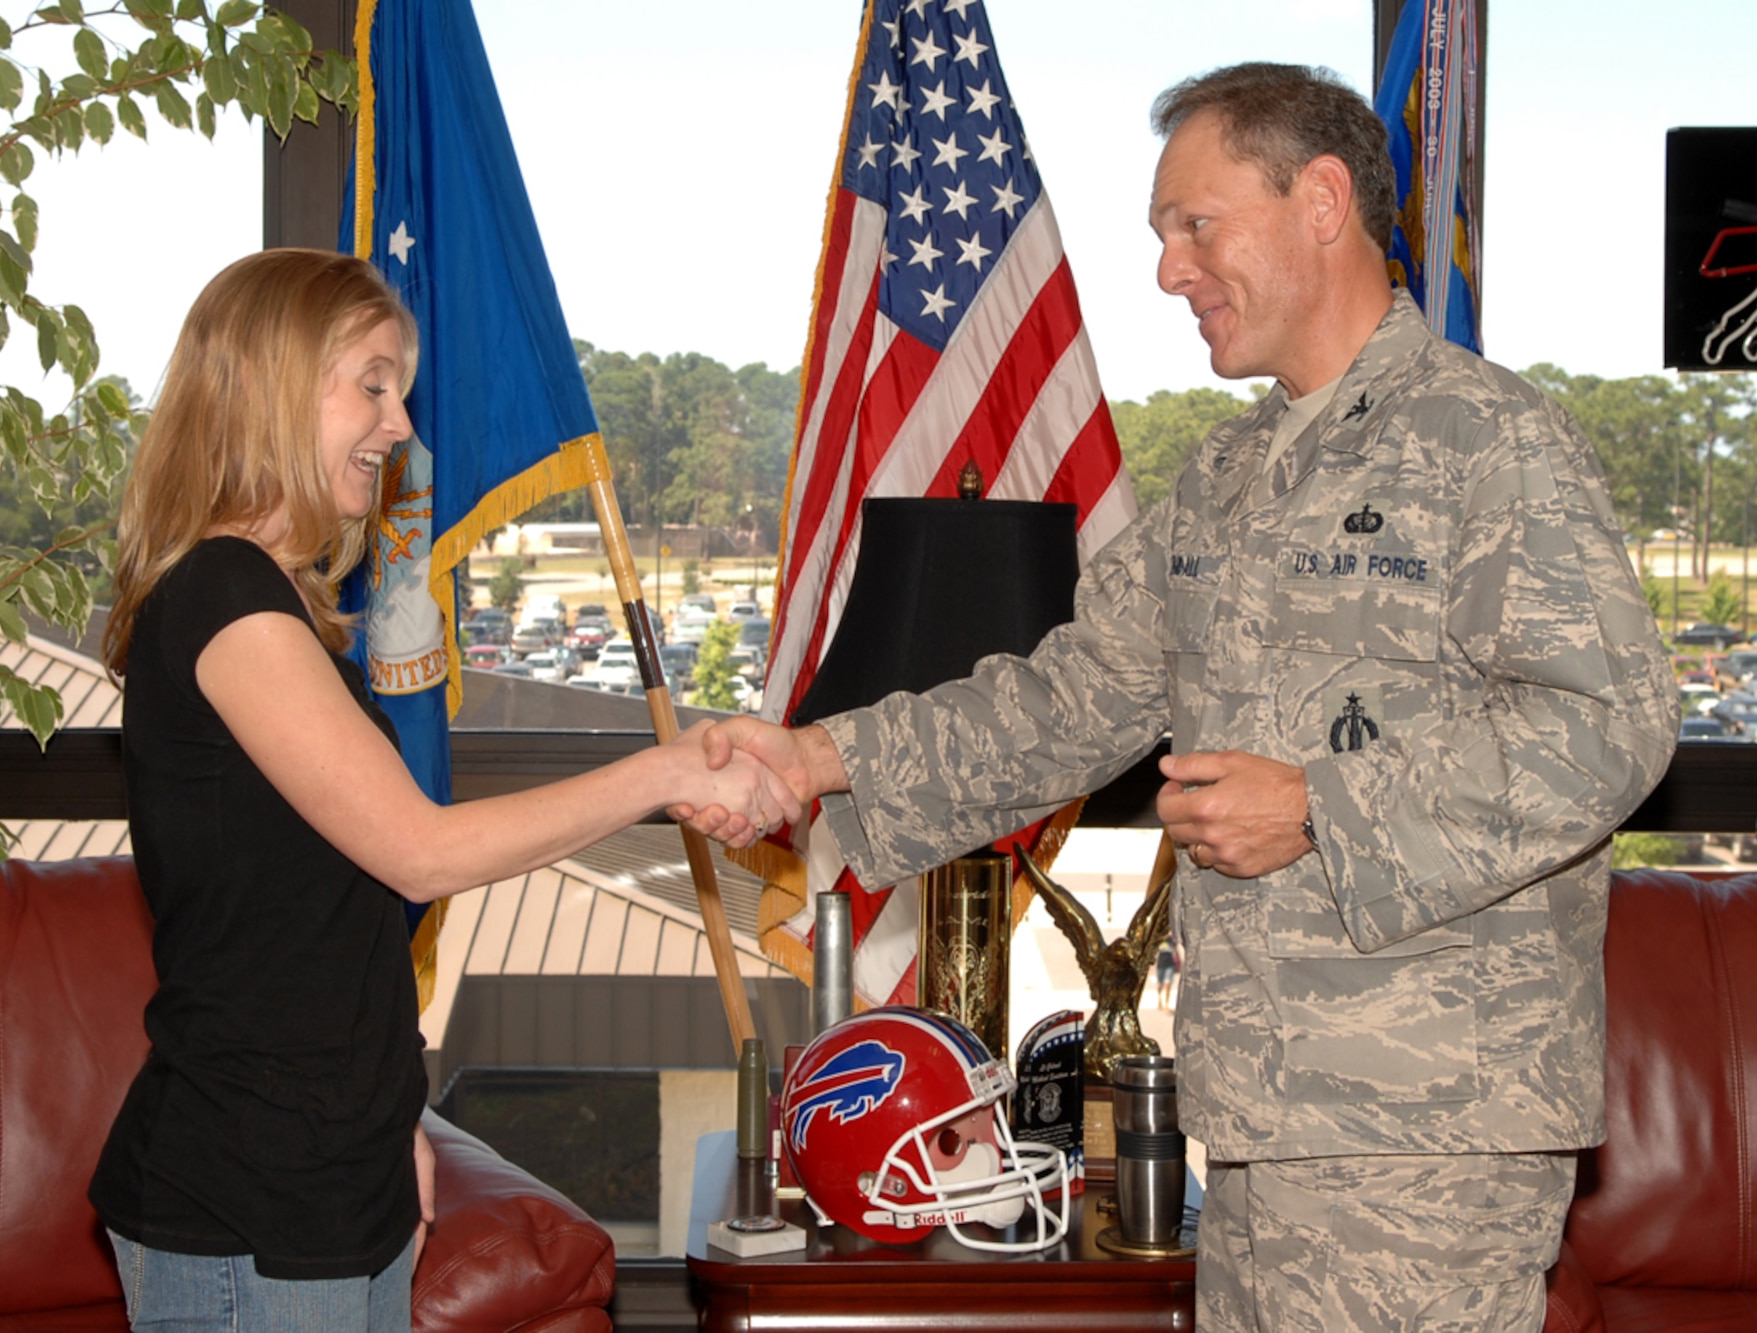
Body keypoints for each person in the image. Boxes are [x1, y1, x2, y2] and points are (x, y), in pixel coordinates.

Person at [683, 63, 1679, 1331]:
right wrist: (816, 757)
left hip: (1426, 1132)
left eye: (1195, 224)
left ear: (1321, 201)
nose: (1167, 270)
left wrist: (1317, 807)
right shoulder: (1226, 475)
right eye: (1162, 234)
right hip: (1256, 1112)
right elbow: (1069, 697)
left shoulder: (1488, 441)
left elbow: (1605, 725)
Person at [91, 249, 796, 1333]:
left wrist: (394, 1123)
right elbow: (416, 850)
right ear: (274, 385)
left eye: (402, 390)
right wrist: (664, 771)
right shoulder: (224, 596)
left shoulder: (272, 598)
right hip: (248, 1202)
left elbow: (314, 934)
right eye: (373, 385)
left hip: (339, 1178)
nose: (401, 425)